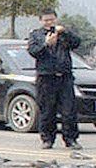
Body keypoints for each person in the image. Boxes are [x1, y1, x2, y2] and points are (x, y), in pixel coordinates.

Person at [28, 9, 82, 150]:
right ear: (41, 21)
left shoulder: (63, 33)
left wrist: (64, 32)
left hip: (64, 77)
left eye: (51, 19)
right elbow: (33, 52)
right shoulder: (36, 35)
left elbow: (76, 43)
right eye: (46, 20)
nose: (49, 22)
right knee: (47, 110)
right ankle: (47, 139)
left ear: (56, 19)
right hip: (46, 78)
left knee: (69, 110)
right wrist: (46, 43)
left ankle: (71, 139)